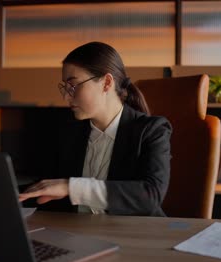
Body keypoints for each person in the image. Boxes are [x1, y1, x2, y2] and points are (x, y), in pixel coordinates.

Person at [18, 42, 172, 216]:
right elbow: (48, 187)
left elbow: (150, 196)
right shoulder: (70, 131)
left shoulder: (152, 130)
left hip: (135, 237)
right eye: (65, 88)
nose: (67, 97)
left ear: (106, 83)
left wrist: (71, 187)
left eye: (74, 86)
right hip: (79, 235)